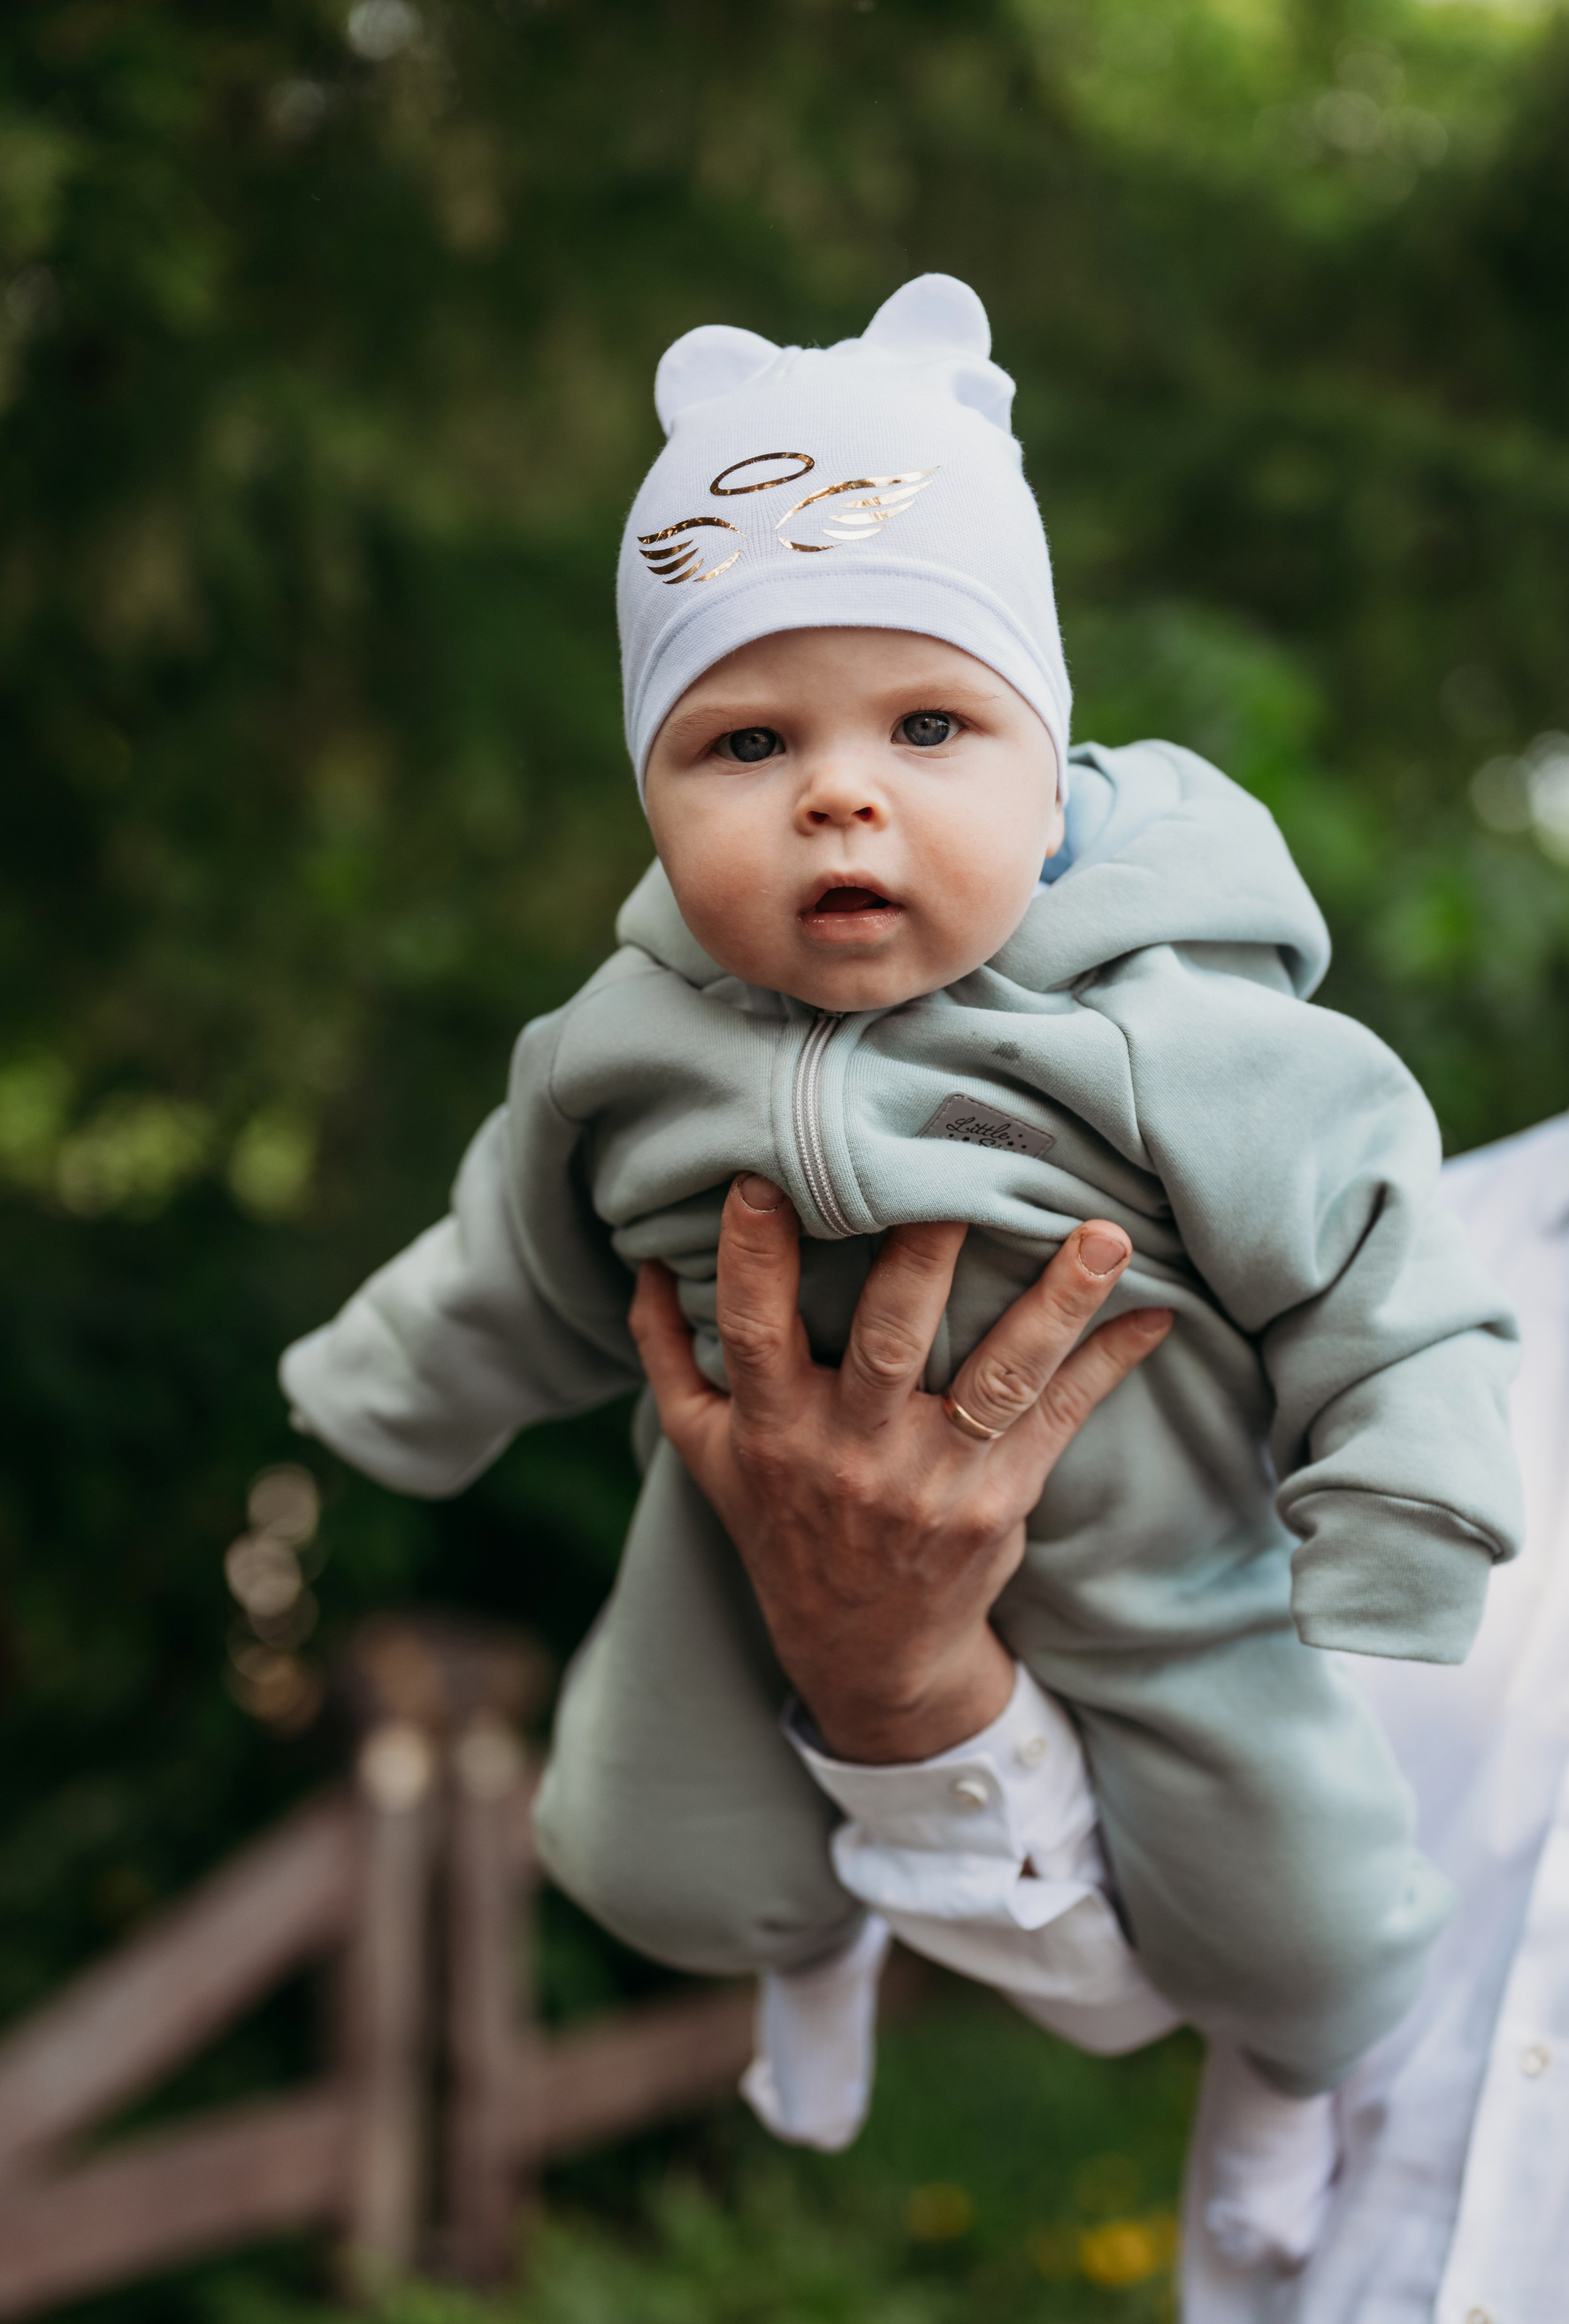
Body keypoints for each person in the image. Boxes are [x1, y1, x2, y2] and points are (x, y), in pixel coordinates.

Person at [278, 274, 1521, 2252]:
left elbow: (1386, 1275)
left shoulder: (1191, 1035)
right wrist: (390, 1391)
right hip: (741, 1521)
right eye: (745, 739)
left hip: (1154, 1557)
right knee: (637, 1839)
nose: (840, 791)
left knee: (1297, 1908)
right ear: (655, 798)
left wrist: (1395, 1521)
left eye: (931, 723)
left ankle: (1289, 2088)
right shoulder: (622, 1048)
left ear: (1051, 763)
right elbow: (517, 1246)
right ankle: (809, 1959)